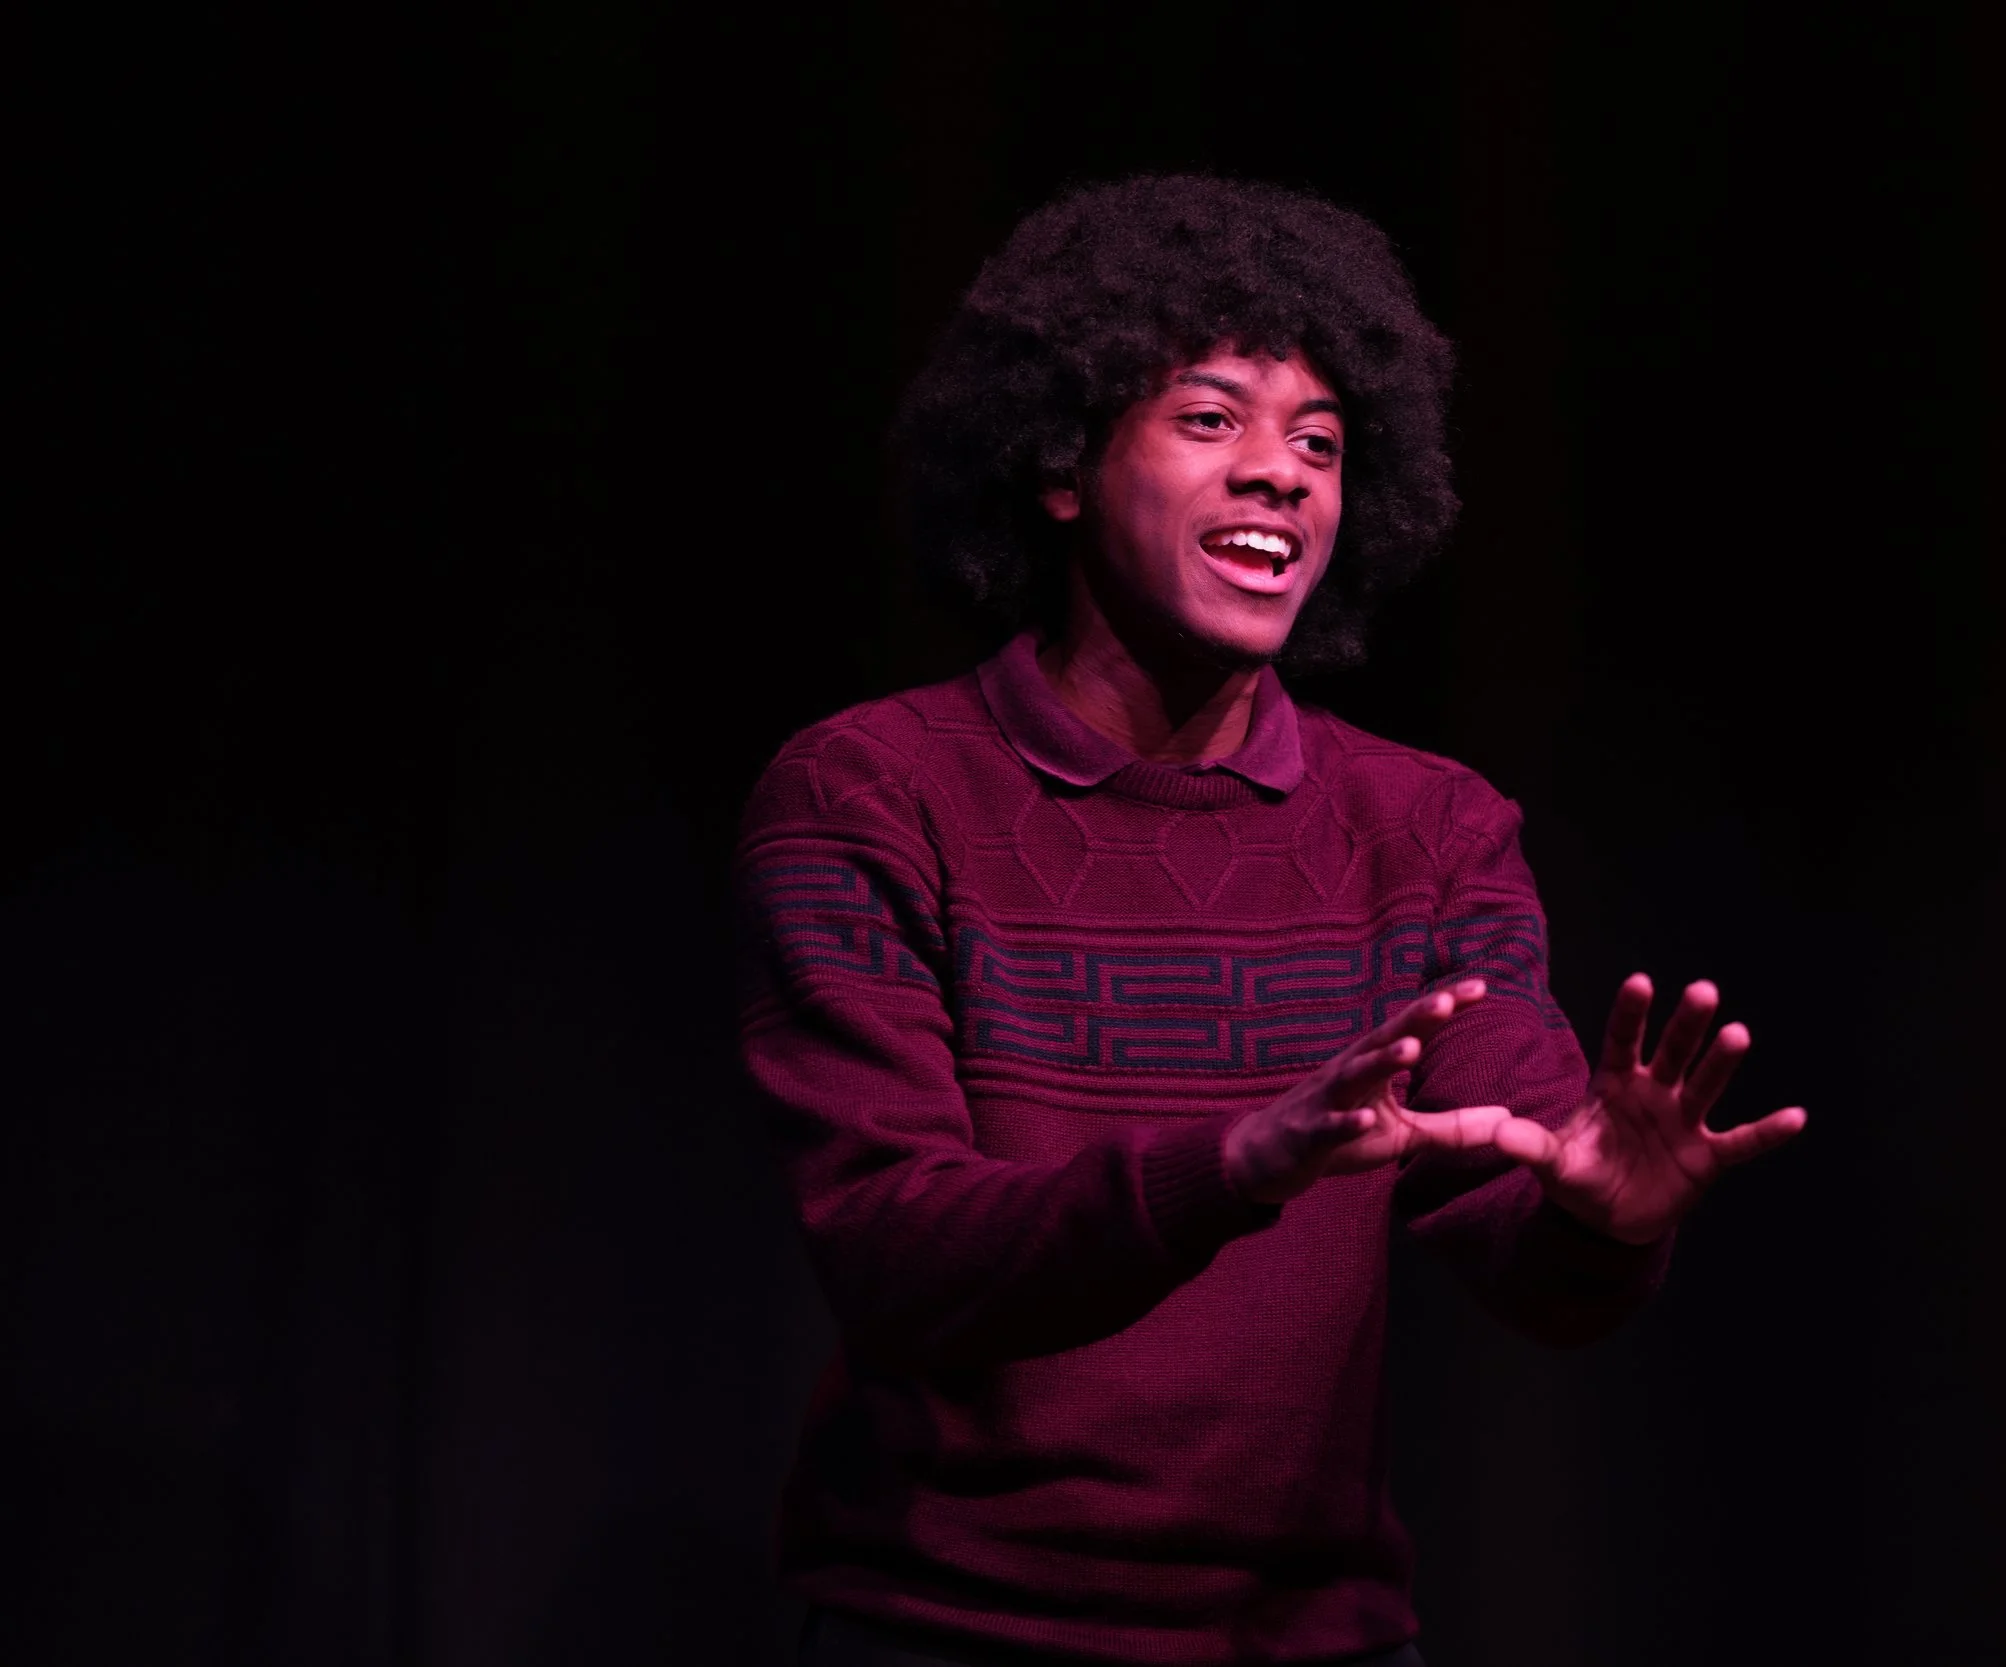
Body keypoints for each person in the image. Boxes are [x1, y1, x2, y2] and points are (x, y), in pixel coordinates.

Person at [738, 176, 1806, 1667]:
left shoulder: (1429, 828)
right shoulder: (874, 791)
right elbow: (895, 1248)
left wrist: (1599, 1224)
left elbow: (1522, 1214)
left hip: (1308, 1638)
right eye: (1210, 419)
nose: (1281, 475)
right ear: (1060, 464)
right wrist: (1234, 1162)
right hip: (946, 1627)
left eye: (1319, 441)